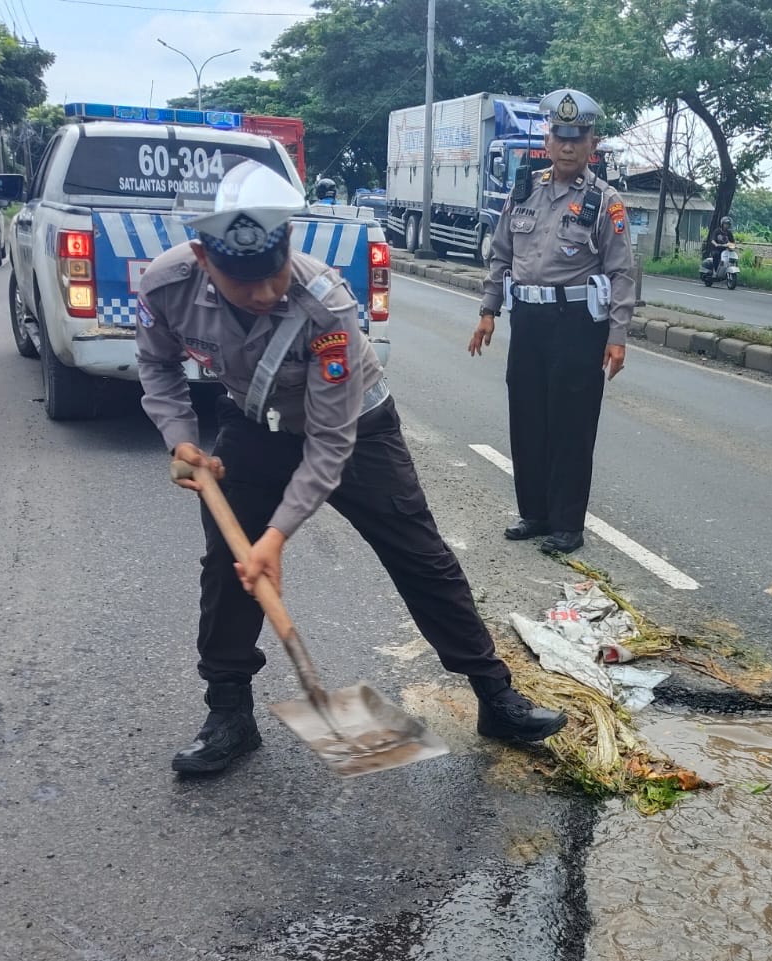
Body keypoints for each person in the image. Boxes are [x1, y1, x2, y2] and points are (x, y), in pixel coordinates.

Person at [137, 159, 567, 776]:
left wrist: (277, 539)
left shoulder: (324, 305)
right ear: (206, 262)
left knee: (421, 556)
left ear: (289, 244)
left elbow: (330, 445)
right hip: (255, 425)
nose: (262, 294)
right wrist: (180, 439)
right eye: (242, 282)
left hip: (356, 429)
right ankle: (228, 711)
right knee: (229, 568)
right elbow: (156, 365)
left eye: (272, 274)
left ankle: (493, 695)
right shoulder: (167, 284)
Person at [467, 88, 637, 556]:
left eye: (577, 137)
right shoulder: (524, 190)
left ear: (591, 144)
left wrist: (617, 335)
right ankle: (535, 512)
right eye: (560, 135)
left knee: (570, 423)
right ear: (547, 139)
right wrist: (488, 311)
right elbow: (501, 255)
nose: (567, 145)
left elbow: (622, 272)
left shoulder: (606, 202)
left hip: (577, 322)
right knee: (527, 416)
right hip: (528, 320)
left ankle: (567, 525)